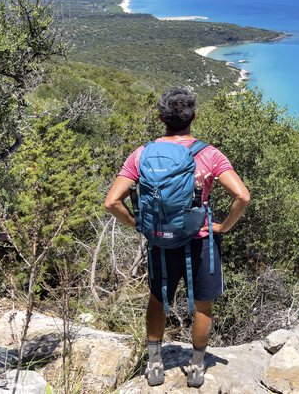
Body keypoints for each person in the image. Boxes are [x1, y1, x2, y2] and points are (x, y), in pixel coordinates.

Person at [104, 88, 250, 388]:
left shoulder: (142, 153)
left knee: (157, 300)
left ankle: (155, 363)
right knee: (202, 305)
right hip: (200, 241)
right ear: (193, 117)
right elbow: (242, 196)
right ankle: (196, 368)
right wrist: (222, 227)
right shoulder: (208, 154)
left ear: (161, 119)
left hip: (159, 239)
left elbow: (111, 202)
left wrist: (139, 225)